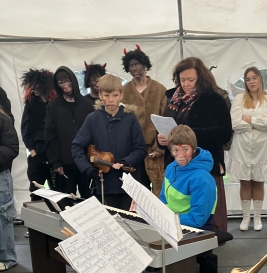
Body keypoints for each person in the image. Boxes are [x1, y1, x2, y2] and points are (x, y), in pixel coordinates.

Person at [131, 125, 217, 273]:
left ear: (193, 148)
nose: (180, 155)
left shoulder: (203, 178)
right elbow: (163, 198)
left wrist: (164, 219)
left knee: (154, 249)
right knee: (136, 239)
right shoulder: (171, 168)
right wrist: (151, 210)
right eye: (175, 150)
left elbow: (198, 219)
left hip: (194, 228)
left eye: (185, 149)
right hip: (171, 221)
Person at [157, 57, 232, 232]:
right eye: (182, 80)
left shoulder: (214, 99)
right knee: (175, 208)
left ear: (201, 77)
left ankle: (206, 244)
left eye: (191, 80)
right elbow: (168, 127)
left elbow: (224, 133)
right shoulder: (172, 98)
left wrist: (187, 136)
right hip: (176, 165)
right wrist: (161, 140)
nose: (186, 84)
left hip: (203, 165)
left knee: (203, 216)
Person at [71, 74, 147, 210]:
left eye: (115, 95)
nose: (110, 100)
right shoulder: (92, 119)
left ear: (121, 95)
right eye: (106, 95)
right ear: (100, 95)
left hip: (130, 185)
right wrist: (88, 169)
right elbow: (76, 147)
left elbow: (141, 149)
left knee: (131, 221)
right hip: (105, 185)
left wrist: (125, 162)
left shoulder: (130, 119)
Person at [228, 66, 267, 231]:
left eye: (254, 78)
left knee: (258, 182)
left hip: (262, 148)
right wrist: (256, 123)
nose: (251, 82)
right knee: (245, 183)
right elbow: (235, 124)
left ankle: (257, 217)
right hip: (242, 147)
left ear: (260, 79)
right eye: (248, 79)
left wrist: (248, 118)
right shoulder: (239, 99)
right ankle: (245, 217)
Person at [121, 45, 167, 196]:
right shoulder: (124, 91)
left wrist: (159, 148)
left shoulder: (159, 89)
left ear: (145, 65)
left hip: (154, 147)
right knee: (137, 191)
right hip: (132, 148)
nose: (134, 68)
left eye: (137, 64)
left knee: (159, 188)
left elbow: (165, 119)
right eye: (131, 65)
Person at [45, 66, 94, 197]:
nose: (65, 85)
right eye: (61, 82)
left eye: (67, 81)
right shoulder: (53, 106)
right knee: (66, 201)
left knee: (89, 200)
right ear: (57, 85)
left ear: (73, 80)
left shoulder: (87, 104)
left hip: (86, 162)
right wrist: (55, 162)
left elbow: (95, 133)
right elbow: (50, 135)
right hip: (64, 164)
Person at [20, 68, 56, 199]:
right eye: (33, 87)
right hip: (38, 152)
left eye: (37, 87)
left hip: (54, 153)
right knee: (36, 191)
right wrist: (32, 149)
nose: (34, 89)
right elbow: (25, 128)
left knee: (57, 190)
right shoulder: (30, 105)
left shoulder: (54, 103)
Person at [0, 106, 19, 270]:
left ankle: (6, 259)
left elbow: (12, 148)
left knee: (3, 217)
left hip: (1, 175)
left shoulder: (3, 120)